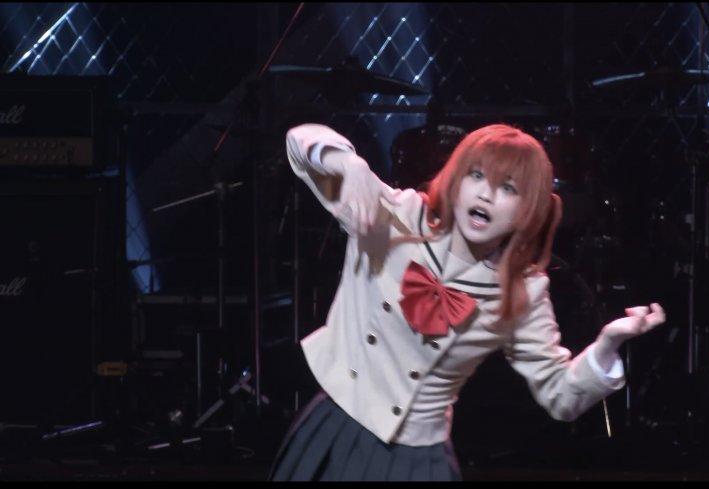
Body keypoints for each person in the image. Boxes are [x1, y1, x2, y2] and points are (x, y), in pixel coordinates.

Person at [269, 122, 666, 481]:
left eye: (508, 188)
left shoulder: (521, 290)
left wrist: (607, 344)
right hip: (337, 430)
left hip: (418, 460)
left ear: (526, 210)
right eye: (476, 176)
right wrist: (347, 163)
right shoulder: (397, 216)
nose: (486, 194)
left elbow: (560, 394)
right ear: (456, 179)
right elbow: (299, 142)